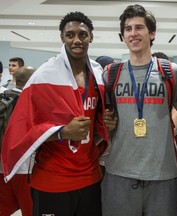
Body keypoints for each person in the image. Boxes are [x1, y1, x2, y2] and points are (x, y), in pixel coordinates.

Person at [1, 11, 116, 216]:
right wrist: (62, 133)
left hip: (91, 178)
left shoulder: (98, 76)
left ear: (91, 37)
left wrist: (107, 124)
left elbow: (96, 128)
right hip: (52, 180)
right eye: (70, 35)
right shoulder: (44, 76)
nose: (76, 40)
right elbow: (23, 130)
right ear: (62, 38)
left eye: (82, 34)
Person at [101, 4, 177, 216]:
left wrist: (173, 122)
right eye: (128, 29)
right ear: (123, 35)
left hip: (163, 174)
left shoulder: (171, 72)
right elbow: (105, 116)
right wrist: (108, 120)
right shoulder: (110, 74)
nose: (133, 33)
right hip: (119, 172)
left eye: (139, 27)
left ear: (151, 33)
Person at [0, 65, 36, 216]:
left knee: (3, 210)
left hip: (2, 167)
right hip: (25, 166)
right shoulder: (30, 102)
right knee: (31, 210)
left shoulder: (3, 97)